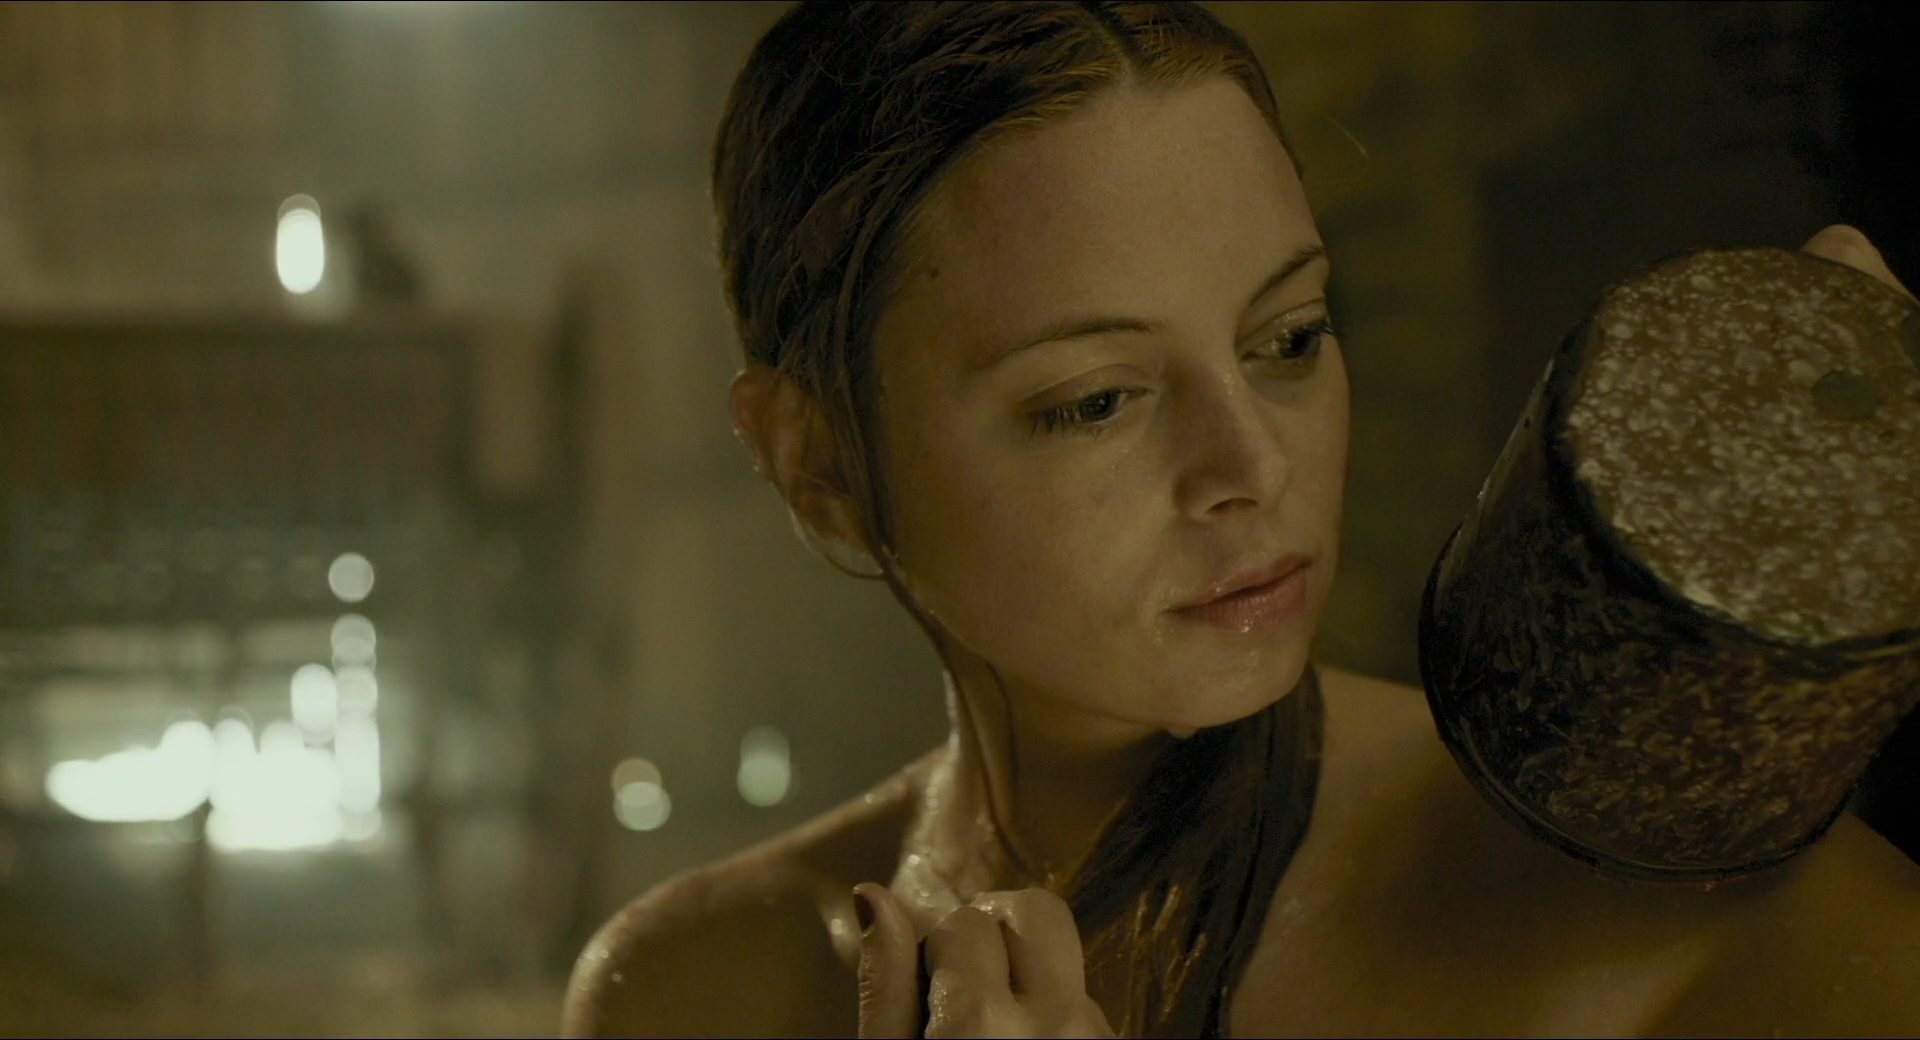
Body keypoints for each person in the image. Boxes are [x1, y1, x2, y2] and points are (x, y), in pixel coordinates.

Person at [562, 3, 1920, 1036]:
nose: (1253, 462)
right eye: (1096, 400)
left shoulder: (1707, 932)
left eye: (1289, 337)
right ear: (819, 464)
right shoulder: (693, 992)